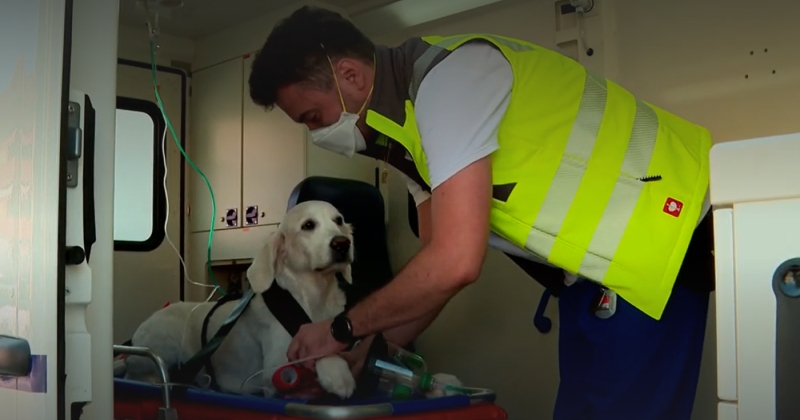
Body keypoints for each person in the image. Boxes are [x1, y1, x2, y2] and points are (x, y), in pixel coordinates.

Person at [247, 6, 715, 420]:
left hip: (655, 238)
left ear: (350, 76)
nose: (318, 134)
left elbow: (456, 261)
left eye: (313, 117)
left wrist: (341, 329)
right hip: (594, 272)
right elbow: (433, 263)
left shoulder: (448, 82)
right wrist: (372, 348)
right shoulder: (409, 139)